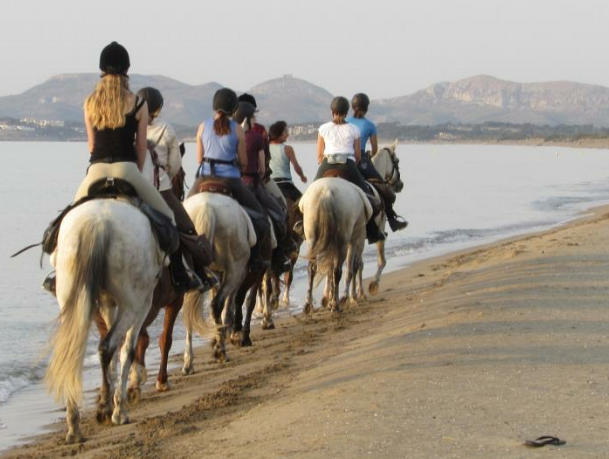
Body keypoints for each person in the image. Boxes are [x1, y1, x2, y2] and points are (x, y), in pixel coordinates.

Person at [57, 42, 201, 293]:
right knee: (167, 218)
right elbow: (141, 146)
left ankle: (57, 274)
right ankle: (178, 273)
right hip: (128, 170)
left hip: (96, 172)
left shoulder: (90, 103)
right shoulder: (137, 104)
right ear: (127, 70)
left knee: (64, 222)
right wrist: (135, 173)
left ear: (101, 69)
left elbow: (92, 146)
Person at [137, 87, 217, 291]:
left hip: (130, 186)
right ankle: (190, 274)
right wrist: (165, 177)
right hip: (160, 190)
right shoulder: (165, 129)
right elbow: (174, 165)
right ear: (159, 107)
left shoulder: (130, 125)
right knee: (186, 229)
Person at [188, 88, 270, 270]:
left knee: (183, 217)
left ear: (214, 107)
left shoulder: (203, 126)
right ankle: (255, 259)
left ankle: (183, 264)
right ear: (234, 109)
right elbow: (243, 161)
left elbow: (199, 159)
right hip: (230, 180)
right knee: (261, 219)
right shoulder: (237, 130)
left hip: (203, 178)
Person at [314, 96, 385, 243]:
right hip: (348, 165)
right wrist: (354, 162)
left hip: (327, 164)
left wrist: (324, 162)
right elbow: (358, 155)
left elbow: (319, 155)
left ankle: (303, 224)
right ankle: (372, 230)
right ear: (346, 112)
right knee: (366, 195)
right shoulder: (354, 129)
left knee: (312, 194)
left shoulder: (323, 128)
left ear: (332, 111)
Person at [233, 102, 291, 272]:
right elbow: (263, 169)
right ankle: (279, 256)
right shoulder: (256, 137)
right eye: (253, 117)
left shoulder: (227, 134)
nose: (255, 120)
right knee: (279, 213)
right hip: (251, 184)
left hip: (230, 184)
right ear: (247, 120)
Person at [346, 93, 408, 232]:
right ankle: (392, 220)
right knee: (383, 189)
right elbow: (374, 150)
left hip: (341, 157)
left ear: (352, 107)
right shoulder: (370, 125)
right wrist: (368, 155)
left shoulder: (345, 121)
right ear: (366, 108)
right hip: (360, 160)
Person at [269, 120, 307, 202]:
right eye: (285, 131)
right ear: (279, 134)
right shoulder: (288, 149)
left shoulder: (265, 147)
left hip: (270, 183)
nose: (288, 134)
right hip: (286, 184)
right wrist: (302, 176)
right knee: (303, 205)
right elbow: (296, 167)